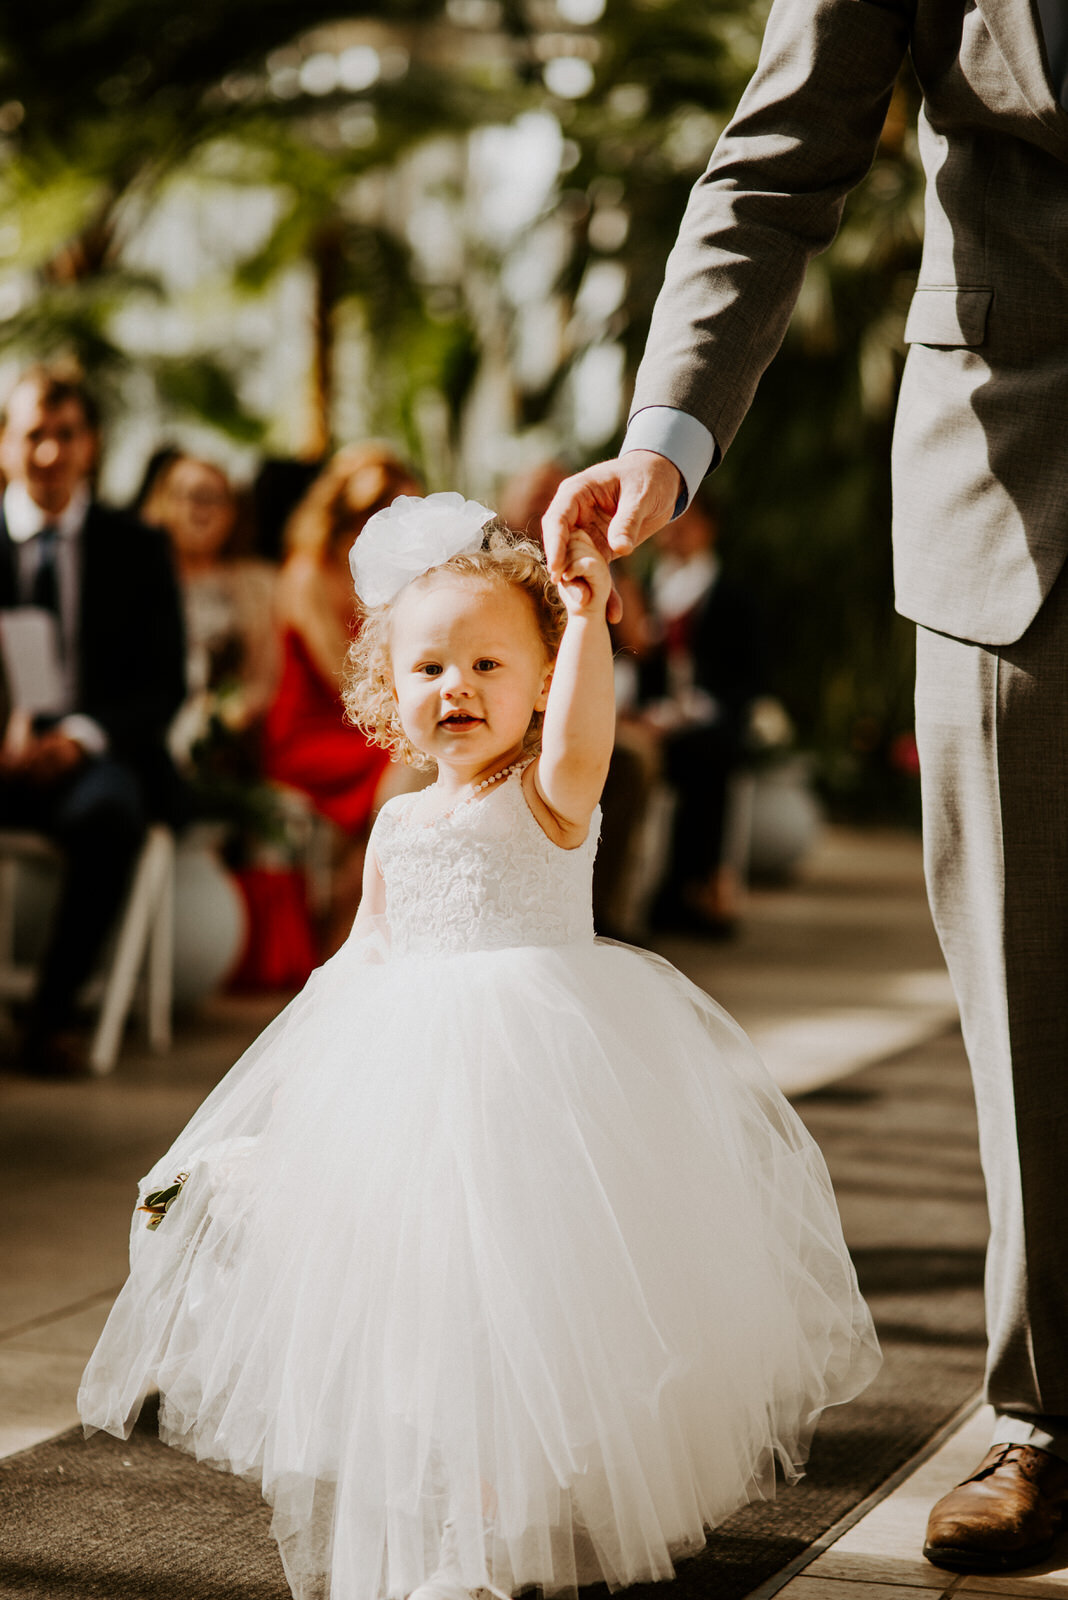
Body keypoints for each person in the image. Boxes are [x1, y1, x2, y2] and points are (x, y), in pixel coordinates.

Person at [78, 494, 879, 1600]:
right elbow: (352, 966)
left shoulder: (551, 797)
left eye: (490, 666)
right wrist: (255, 1123)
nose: (455, 688)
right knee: (414, 1332)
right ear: (387, 690)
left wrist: (588, 618)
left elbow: (588, 737)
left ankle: (499, 1534)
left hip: (536, 1092)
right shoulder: (400, 820)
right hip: (402, 1098)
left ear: (542, 679)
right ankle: (443, 1531)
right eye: (428, 669)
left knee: (524, 1323)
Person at [541, 0, 1068, 1574]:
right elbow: (780, 157)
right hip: (1014, 476)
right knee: (1029, 988)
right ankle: (1054, 1417)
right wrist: (666, 436)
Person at [0, 367, 186, 1077]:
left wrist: (77, 740)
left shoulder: (136, 547)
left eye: (65, 436)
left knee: (114, 814)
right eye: (33, 436)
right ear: (6, 445)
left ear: (92, 446)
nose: (49, 453)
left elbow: (162, 686)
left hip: (90, 760)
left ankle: (50, 1017)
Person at [261, 442, 422, 952]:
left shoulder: (400, 578)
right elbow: (344, 679)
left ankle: (363, 906)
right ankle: (354, 913)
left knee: (423, 755)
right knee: (415, 760)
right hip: (316, 733)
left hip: (371, 728)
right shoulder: (308, 574)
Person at [636, 493, 763, 936]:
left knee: (711, 759)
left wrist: (687, 711)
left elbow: (743, 677)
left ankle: (698, 887)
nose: (675, 535)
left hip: (707, 718)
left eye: (686, 524)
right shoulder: (646, 590)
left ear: (708, 529)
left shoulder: (732, 595)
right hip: (650, 715)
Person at [141, 453, 280, 772]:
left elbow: (269, 677)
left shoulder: (262, 584)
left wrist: (225, 718)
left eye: (216, 498)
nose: (202, 509)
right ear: (163, 503)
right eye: (192, 496)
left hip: (232, 750)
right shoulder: (138, 581)